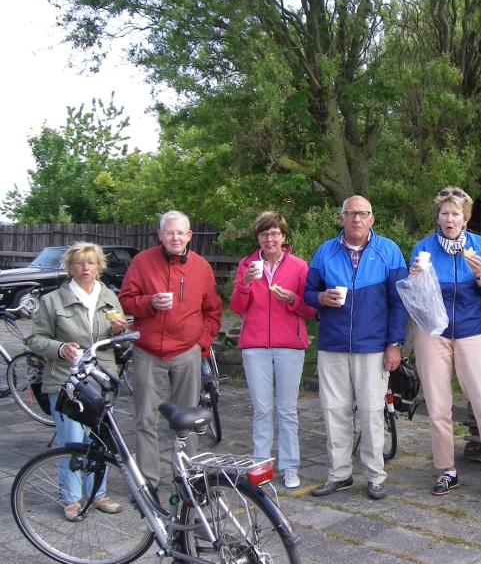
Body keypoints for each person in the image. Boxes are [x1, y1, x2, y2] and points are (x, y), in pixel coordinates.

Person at [303, 195, 408, 500]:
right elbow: (308, 292)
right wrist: (320, 299)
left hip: (374, 345)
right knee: (334, 411)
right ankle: (339, 474)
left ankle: (375, 476)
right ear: (342, 219)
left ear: (372, 219)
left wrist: (394, 343)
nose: (357, 219)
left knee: (372, 411)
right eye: (351, 214)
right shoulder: (325, 250)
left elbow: (399, 302)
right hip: (332, 343)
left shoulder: (388, 250)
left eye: (363, 214)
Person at [409, 186, 481, 497]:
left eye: (456, 213)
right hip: (432, 334)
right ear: (438, 217)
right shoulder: (423, 249)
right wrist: (414, 279)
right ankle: (447, 471)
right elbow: (412, 299)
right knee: (438, 407)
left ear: (465, 219)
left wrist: (480, 275)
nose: (450, 218)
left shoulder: (480, 247)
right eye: (444, 213)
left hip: (471, 333)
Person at [118, 210, 223, 489]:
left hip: (186, 352)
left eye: (180, 232)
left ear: (189, 235)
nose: (175, 237)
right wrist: (149, 302)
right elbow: (125, 301)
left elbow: (213, 311)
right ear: (160, 235)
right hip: (148, 351)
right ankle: (148, 482)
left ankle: (187, 477)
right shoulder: (142, 262)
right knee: (145, 419)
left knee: (188, 417)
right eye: (169, 232)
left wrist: (202, 342)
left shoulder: (201, 267)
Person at [28, 242, 128, 521]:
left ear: (99, 267)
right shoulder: (52, 301)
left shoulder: (109, 295)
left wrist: (119, 329)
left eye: (92, 263)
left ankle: (97, 493)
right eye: (79, 263)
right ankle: (71, 499)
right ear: (69, 267)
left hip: (101, 379)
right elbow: (35, 340)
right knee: (72, 440)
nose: (86, 268)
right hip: (66, 380)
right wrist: (59, 349)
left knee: (101, 440)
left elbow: (117, 336)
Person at [229, 211, 316, 489]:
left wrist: (292, 298)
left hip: (289, 345)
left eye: (275, 233)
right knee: (262, 409)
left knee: (287, 409)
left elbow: (310, 309)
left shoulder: (299, 266)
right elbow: (236, 308)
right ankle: (261, 465)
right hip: (255, 346)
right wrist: (244, 285)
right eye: (264, 234)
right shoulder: (246, 265)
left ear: (283, 237)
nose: (270, 239)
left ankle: (290, 466)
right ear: (258, 237)